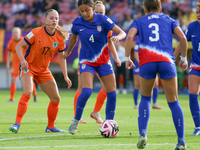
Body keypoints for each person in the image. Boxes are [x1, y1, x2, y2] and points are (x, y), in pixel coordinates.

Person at [125, 0, 187, 149]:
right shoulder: (169, 19)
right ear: (160, 8)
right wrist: (183, 59)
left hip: (147, 62)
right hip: (166, 61)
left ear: (144, 9)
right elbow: (183, 38)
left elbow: (129, 38)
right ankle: (181, 141)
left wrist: (128, 58)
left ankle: (143, 134)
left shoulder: (138, 21)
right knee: (173, 102)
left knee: (145, 98)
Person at [64, 0, 126, 135]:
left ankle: (109, 123)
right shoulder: (77, 23)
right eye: (82, 11)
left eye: (87, 10)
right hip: (87, 61)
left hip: (104, 62)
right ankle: (76, 120)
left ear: (92, 8)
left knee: (112, 92)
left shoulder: (103, 19)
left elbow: (121, 32)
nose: (85, 13)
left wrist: (118, 37)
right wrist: (68, 52)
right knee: (86, 91)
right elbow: (73, 39)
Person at [9, 9, 72, 133]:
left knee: (56, 98)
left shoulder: (60, 38)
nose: (54, 20)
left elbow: (61, 58)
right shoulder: (36, 32)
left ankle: (50, 127)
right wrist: (22, 60)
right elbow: (18, 46)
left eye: (56, 18)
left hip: (43, 70)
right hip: (28, 67)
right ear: (45, 20)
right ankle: (17, 124)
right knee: (28, 92)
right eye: (51, 18)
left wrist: (66, 76)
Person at [174, 1, 200, 136]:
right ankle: (198, 127)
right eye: (197, 12)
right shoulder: (192, 26)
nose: (198, 15)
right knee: (192, 94)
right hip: (196, 64)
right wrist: (173, 57)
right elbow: (182, 41)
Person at [6, 27, 37, 102]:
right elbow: (9, 54)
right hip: (15, 65)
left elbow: (30, 51)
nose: (15, 34)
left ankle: (35, 95)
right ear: (12, 34)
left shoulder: (24, 41)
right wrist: (7, 64)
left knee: (29, 81)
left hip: (24, 64)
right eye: (14, 33)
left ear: (20, 33)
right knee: (13, 80)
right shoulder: (11, 43)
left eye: (17, 32)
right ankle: (12, 98)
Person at [133, 39, 162, 110]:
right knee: (137, 85)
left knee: (156, 84)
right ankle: (136, 104)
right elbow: (136, 53)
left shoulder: (153, 40)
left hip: (150, 64)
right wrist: (140, 63)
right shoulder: (139, 41)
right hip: (139, 65)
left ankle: (154, 103)